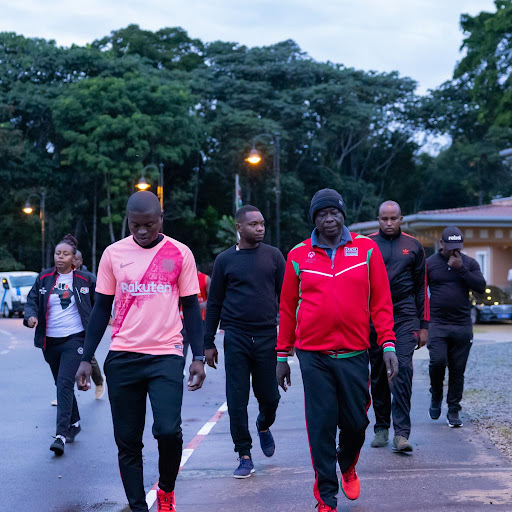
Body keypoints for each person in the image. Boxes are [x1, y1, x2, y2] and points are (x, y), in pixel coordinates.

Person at [75, 191, 206, 512]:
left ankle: (166, 489)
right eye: (136, 225)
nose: (142, 231)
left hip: (166, 354)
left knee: (167, 431)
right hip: (122, 356)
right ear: (128, 221)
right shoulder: (113, 254)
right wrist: (84, 358)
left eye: (149, 224)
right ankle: (137, 507)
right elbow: (100, 309)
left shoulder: (179, 253)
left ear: (161, 218)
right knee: (128, 441)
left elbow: (191, 307)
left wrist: (199, 357)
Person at [276, 189, 398, 512]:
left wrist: (388, 343)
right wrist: (281, 356)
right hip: (313, 356)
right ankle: (326, 497)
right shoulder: (298, 255)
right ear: (314, 219)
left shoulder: (366, 250)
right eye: (321, 214)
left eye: (334, 213)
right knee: (321, 426)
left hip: (355, 353)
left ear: (343, 215)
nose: (329, 219)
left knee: (357, 423)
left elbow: (381, 303)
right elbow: (288, 309)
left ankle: (347, 465)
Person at [204, 205, 285, 478]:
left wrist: (287, 340)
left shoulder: (274, 256)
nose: (260, 228)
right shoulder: (225, 260)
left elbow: (286, 301)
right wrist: (208, 343)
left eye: (262, 223)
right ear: (239, 227)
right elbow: (214, 303)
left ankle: (263, 424)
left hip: (266, 337)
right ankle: (244, 454)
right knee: (236, 400)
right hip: (236, 336)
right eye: (253, 224)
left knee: (270, 396)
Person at [24, 234, 95, 456]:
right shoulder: (44, 277)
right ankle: (74, 423)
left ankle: (61, 435)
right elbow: (32, 301)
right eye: (57, 253)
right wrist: (31, 317)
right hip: (49, 341)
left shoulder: (86, 280)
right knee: (61, 384)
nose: (60, 257)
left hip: (74, 340)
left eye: (65, 254)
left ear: (74, 259)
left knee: (64, 384)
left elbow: (100, 305)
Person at [368, 201, 429, 452]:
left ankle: (401, 434)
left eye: (393, 218)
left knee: (401, 370)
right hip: (374, 317)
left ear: (401, 219)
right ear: (378, 219)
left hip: (405, 315)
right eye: (384, 219)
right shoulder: (367, 245)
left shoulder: (413, 246)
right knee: (380, 373)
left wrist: (424, 325)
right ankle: (381, 428)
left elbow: (421, 288)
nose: (389, 223)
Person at [426, 226, 486, 428]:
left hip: (461, 325)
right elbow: (419, 292)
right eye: (449, 246)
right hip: (437, 323)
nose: (454, 251)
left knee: (457, 370)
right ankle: (436, 394)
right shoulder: (430, 264)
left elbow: (480, 287)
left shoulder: (469, 263)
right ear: (441, 243)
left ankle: (453, 410)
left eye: (457, 247)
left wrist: (461, 268)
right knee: (437, 362)